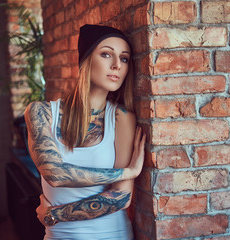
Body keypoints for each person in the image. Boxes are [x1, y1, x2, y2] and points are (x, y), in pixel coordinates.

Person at [24, 24, 146, 240]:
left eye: (124, 58)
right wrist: (126, 172)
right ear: (86, 60)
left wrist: (54, 214)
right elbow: (55, 174)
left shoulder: (122, 118)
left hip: (111, 235)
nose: (117, 65)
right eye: (106, 54)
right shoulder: (41, 113)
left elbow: (120, 198)